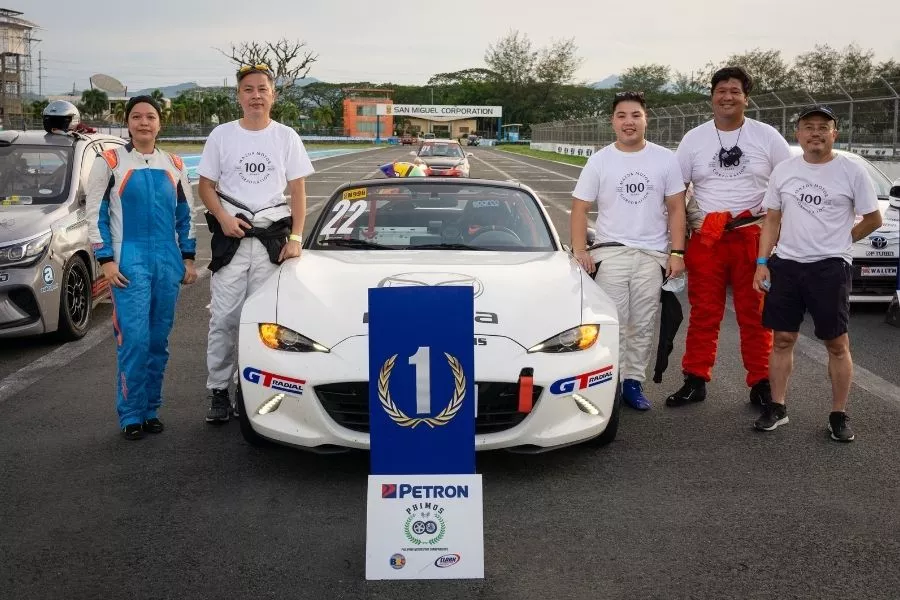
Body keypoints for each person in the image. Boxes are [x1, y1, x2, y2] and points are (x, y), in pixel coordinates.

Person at [752, 105, 882, 441]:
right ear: (798, 134)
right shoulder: (784, 170)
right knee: (782, 339)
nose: (815, 133)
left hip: (830, 268)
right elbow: (772, 220)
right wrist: (762, 263)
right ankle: (777, 407)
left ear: (834, 134)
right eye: (808, 127)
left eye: (823, 127)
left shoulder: (851, 171)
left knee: (836, 343)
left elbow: (873, 219)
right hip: (787, 265)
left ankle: (838, 414)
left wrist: (843, 240)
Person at [665, 66, 792, 409]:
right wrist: (677, 242)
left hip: (753, 235)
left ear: (746, 98)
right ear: (712, 96)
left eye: (735, 91)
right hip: (708, 236)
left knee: (756, 312)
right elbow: (676, 191)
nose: (727, 97)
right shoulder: (695, 139)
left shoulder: (767, 137)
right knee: (704, 312)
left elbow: (790, 182)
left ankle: (761, 382)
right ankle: (695, 378)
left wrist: (781, 234)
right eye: (721, 90)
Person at [198, 63, 315, 423]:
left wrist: (296, 238)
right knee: (225, 319)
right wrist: (222, 217)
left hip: (272, 242)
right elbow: (205, 186)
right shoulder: (222, 135)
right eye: (248, 90)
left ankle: (259, 394)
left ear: (273, 95)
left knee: (271, 323)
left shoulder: (286, 137)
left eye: (262, 89)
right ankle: (219, 390)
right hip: (232, 239)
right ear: (239, 96)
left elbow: (298, 191)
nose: (256, 96)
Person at [86, 95, 198, 440]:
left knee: (157, 341)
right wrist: (105, 260)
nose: (144, 122)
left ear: (159, 123)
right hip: (128, 260)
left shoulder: (175, 164)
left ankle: (151, 410)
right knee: (133, 339)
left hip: (166, 259)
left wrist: (188, 257)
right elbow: (95, 215)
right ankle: (131, 413)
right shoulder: (109, 161)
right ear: (128, 123)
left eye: (150, 116)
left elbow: (186, 216)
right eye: (137, 117)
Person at [571, 91, 687, 410]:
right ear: (613, 122)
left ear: (645, 119)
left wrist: (677, 253)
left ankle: (633, 383)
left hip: (652, 256)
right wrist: (581, 250)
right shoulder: (600, 160)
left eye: (635, 115)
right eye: (621, 116)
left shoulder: (665, 159)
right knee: (614, 323)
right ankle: (610, 381)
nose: (628, 122)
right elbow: (580, 208)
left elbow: (677, 209)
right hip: (611, 253)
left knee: (643, 323)